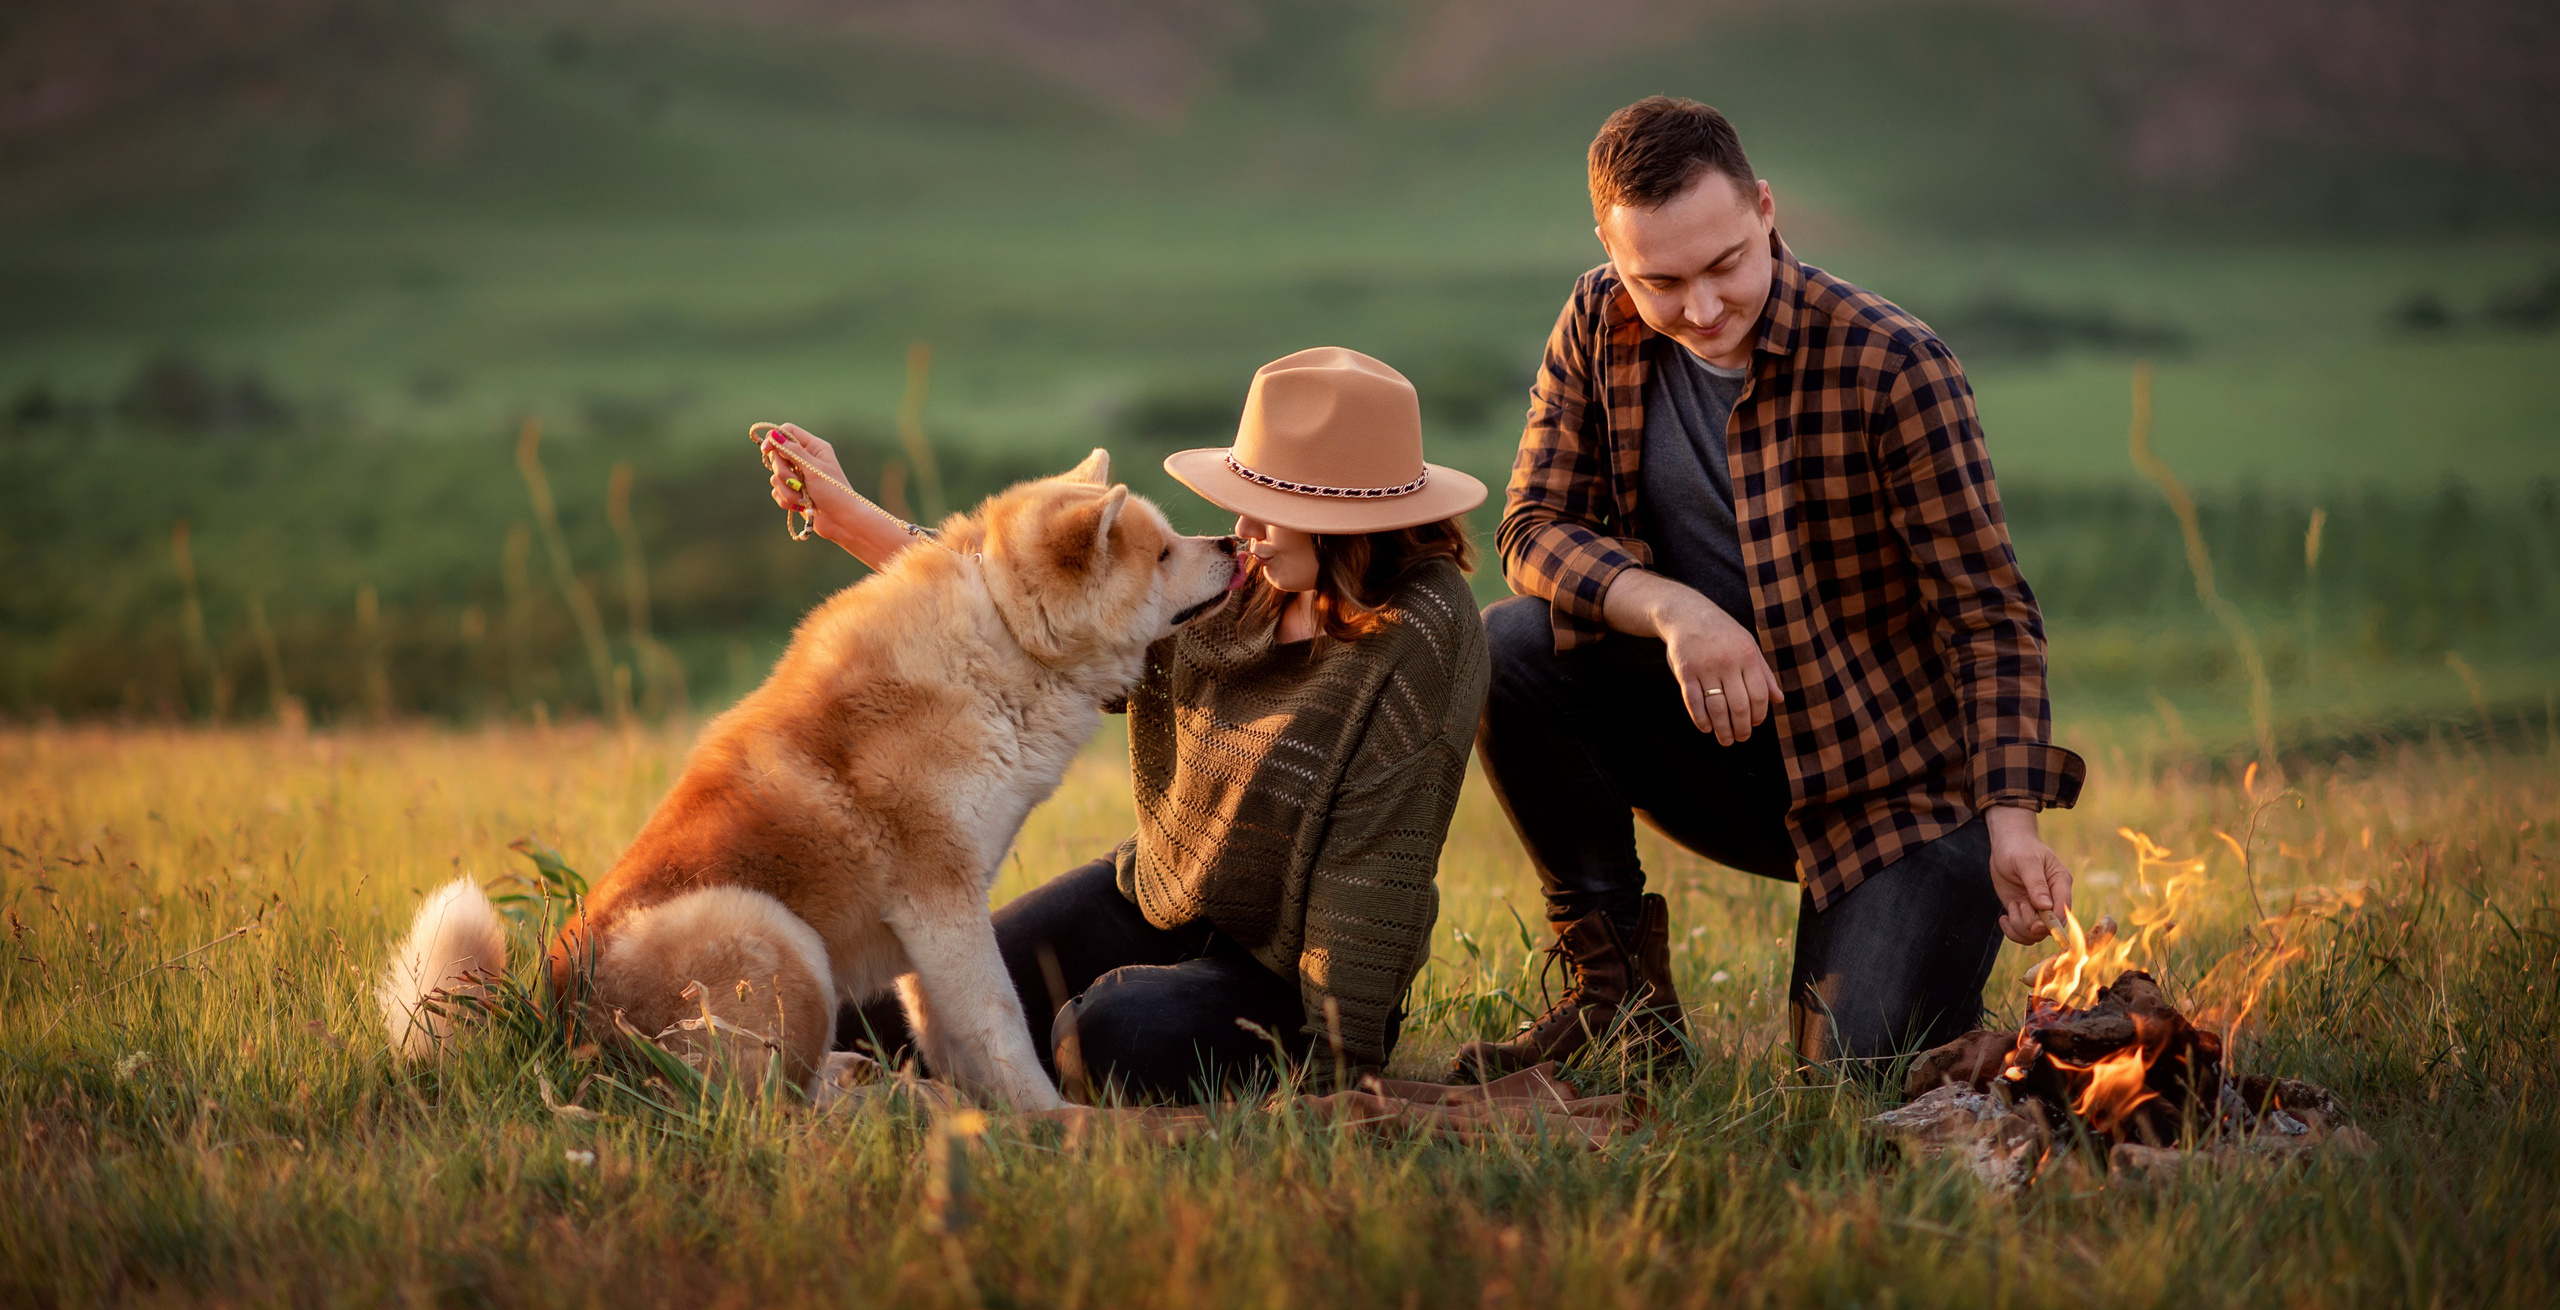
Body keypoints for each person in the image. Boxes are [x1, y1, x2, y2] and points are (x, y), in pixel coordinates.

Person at [1453, 96, 2086, 1081]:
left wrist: (2013, 822)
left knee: (1847, 1085)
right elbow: (1532, 528)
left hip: (1896, 795)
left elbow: (1989, 616)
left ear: (1763, 209)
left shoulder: (1894, 364)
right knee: (1511, 647)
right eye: (1659, 280)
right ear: (1610, 251)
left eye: (1724, 266)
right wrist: (1676, 610)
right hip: (1727, 751)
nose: (1699, 309)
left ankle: (1906, 934)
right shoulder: (1596, 317)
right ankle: (1618, 1004)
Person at [762, 347, 1490, 1099]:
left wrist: (1336, 1059)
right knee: (876, 1006)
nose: (1242, 527)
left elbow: (1370, 867)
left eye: (1268, 506)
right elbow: (1041, 620)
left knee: (1106, 1037)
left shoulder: (1421, 635)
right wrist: (850, 519)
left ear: (1342, 519)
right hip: (1159, 893)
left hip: (1293, 973)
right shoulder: (1250, 582)